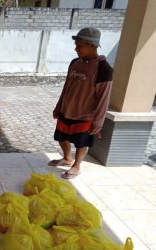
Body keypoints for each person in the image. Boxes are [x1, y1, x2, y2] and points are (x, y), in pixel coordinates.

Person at [48, 27, 113, 179]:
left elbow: (104, 97)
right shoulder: (75, 62)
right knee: (61, 137)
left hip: (85, 115)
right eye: (76, 45)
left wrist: (98, 121)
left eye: (80, 45)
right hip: (66, 110)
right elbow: (66, 87)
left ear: (92, 46)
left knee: (81, 142)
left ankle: (76, 166)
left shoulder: (103, 68)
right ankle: (67, 158)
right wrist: (58, 106)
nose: (76, 48)